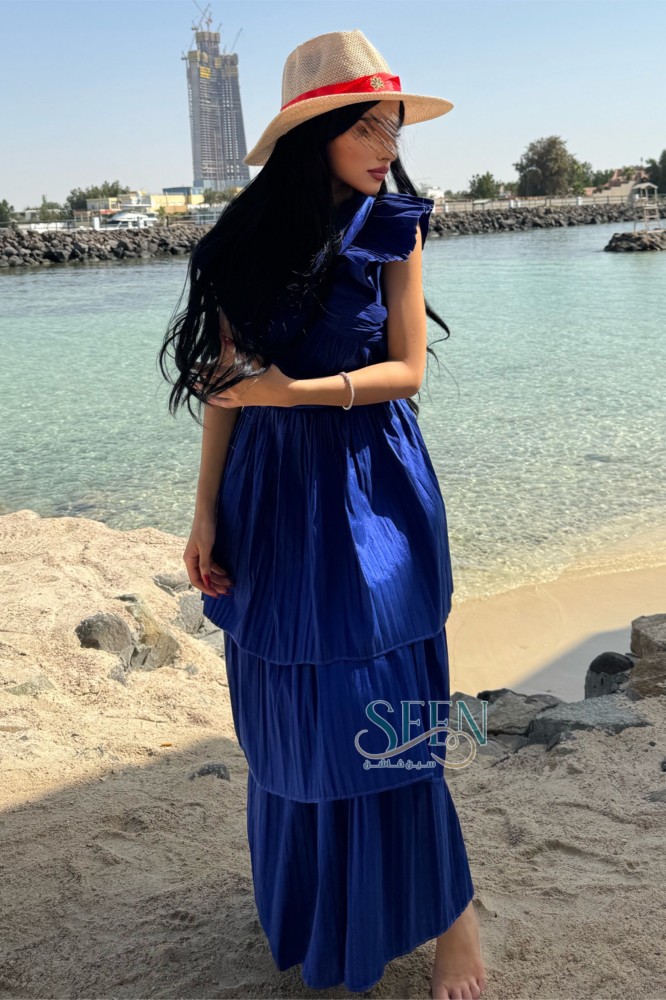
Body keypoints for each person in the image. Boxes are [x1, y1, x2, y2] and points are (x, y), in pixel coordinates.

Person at [158, 27, 487, 1000]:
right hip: (268, 493)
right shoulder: (243, 242)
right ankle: (321, 907)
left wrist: (299, 395)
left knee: (388, 705)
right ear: (317, 136)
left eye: (393, 127)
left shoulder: (395, 226)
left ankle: (456, 920)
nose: (388, 145)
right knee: (288, 711)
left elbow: (408, 369)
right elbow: (227, 390)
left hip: (371, 484)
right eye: (368, 127)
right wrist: (203, 513)